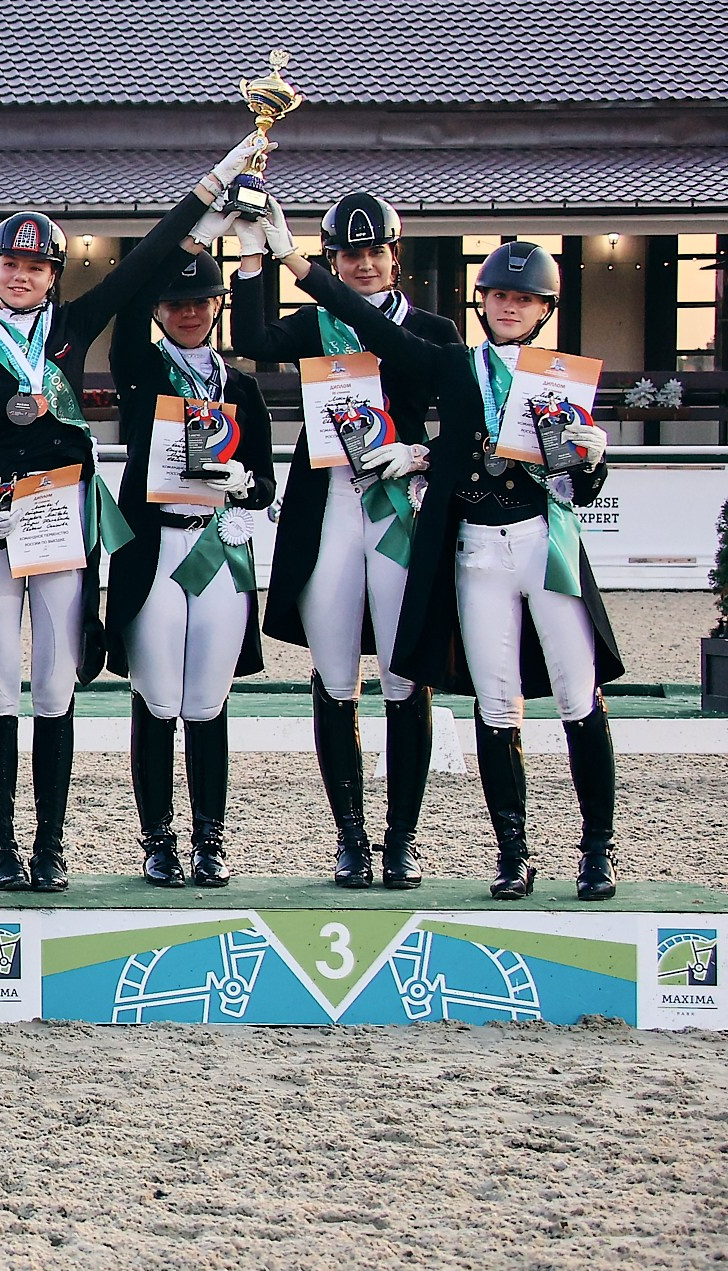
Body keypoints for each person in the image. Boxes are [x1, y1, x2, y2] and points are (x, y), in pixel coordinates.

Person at [0, 131, 263, 892]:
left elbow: (145, 259)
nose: (21, 275)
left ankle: (50, 845)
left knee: (54, 686)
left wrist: (215, 183)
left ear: (52, 276)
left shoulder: (72, 330)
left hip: (62, 518)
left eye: (35, 266)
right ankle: (0, 844)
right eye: (10, 264)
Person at [255, 215, 625, 899]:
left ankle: (597, 849)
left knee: (579, 696)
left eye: (524, 300)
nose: (508, 307)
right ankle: (512, 852)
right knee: (496, 704)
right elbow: (387, 339)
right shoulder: (456, 360)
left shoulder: (561, 379)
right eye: (498, 297)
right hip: (478, 548)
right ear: (482, 300)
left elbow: (573, 480)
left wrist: (594, 458)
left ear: (545, 309)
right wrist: (301, 266)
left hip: (548, 544)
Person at [231, 191, 458, 887]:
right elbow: (253, 340)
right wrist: (248, 250)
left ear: (396, 257)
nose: (363, 264)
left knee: (402, 674)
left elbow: (467, 420)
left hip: (398, 507)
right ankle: (351, 837)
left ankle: (403, 838)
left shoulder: (435, 329)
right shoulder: (318, 323)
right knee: (335, 677)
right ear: (335, 259)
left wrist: (421, 453)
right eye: (350, 254)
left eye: (373, 252)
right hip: (330, 505)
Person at [103, 253, 278, 887]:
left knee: (206, 701)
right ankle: (157, 840)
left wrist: (246, 481)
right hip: (157, 547)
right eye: (176, 303)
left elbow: (264, 483)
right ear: (158, 309)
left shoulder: (244, 389)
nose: (189, 312)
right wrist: (192, 230)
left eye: (202, 301)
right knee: (157, 696)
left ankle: (210, 839)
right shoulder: (144, 369)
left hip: (219, 548)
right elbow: (124, 310)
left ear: (217, 308)